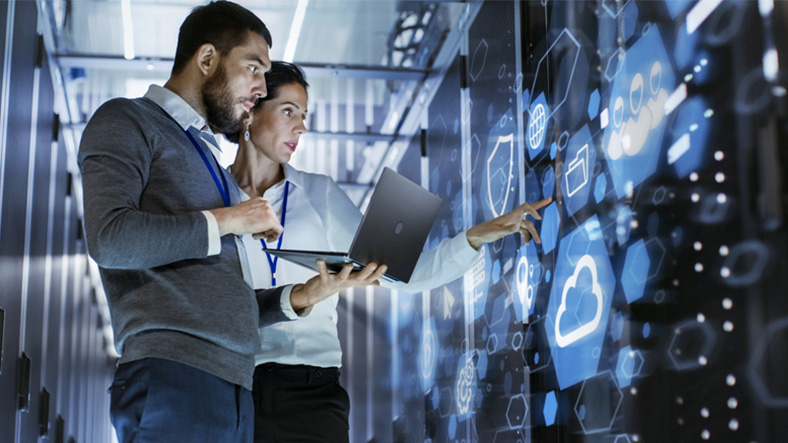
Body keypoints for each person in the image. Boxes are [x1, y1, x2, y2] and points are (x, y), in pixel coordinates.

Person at [78, 3, 385, 442]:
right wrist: (230, 219)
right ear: (207, 60)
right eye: (253, 68)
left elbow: (224, 299)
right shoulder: (127, 119)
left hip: (234, 386)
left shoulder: (207, 159)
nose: (260, 88)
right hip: (174, 375)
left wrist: (301, 296)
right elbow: (111, 238)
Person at [229, 61, 552, 442]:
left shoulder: (321, 194)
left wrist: (476, 236)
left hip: (311, 394)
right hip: (232, 387)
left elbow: (404, 275)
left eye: (304, 115)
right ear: (250, 111)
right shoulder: (212, 198)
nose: (301, 127)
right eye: (288, 111)